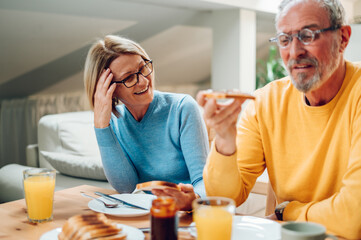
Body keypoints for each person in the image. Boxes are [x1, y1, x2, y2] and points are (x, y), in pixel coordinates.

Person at [197, 0, 361, 238]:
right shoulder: (265, 101)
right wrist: (224, 140)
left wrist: (287, 211)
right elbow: (225, 199)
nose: (294, 52)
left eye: (308, 35)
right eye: (285, 39)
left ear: (343, 38)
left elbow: (353, 217)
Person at [84, 35, 209, 211]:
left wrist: (195, 199)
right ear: (109, 89)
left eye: (143, 68)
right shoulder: (113, 122)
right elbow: (126, 188)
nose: (143, 80)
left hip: (185, 215)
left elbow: (202, 179)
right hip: (141, 216)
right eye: (128, 78)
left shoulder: (182, 108)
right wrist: (101, 127)